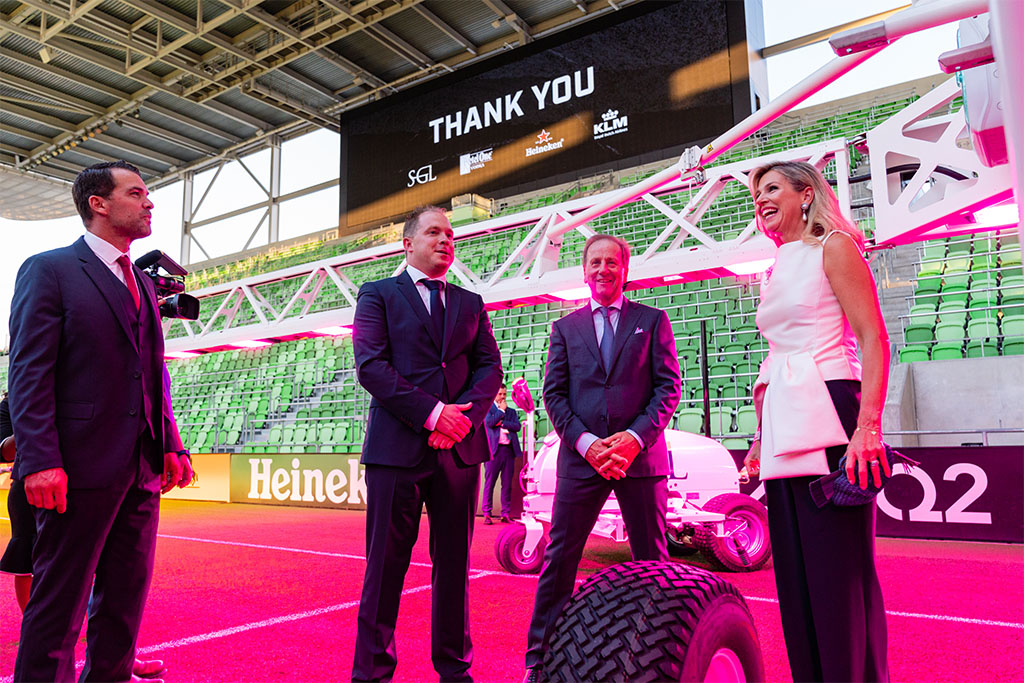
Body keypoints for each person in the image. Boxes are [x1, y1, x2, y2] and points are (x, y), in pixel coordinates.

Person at [8, 160, 194, 682]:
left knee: (123, 605)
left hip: (142, 467)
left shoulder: (140, 279)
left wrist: (173, 445)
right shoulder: (49, 269)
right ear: (99, 203)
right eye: (137, 193)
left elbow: (152, 371)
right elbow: (29, 371)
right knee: (58, 606)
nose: (150, 202)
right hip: (76, 467)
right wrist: (41, 459)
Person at [744, 160, 890, 682]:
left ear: (806, 194)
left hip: (832, 411)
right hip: (787, 417)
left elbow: (873, 336)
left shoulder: (835, 246)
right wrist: (761, 438)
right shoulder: (779, 262)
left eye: (772, 188)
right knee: (797, 578)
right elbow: (776, 355)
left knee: (836, 573)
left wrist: (868, 426)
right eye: (756, 192)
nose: (760, 198)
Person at [351, 205, 503, 682]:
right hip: (396, 450)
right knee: (385, 567)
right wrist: (434, 414)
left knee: (454, 567)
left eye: (451, 234)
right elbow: (371, 367)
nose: (446, 240)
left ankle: (455, 669)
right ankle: (372, 673)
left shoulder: (470, 302)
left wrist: (461, 420)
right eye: (434, 232)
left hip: (459, 452)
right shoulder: (376, 295)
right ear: (408, 243)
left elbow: (489, 369)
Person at [523, 234, 681, 682]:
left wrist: (634, 438)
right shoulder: (566, 327)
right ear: (584, 269)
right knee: (560, 559)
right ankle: (540, 659)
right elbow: (553, 395)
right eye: (595, 262)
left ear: (625, 268)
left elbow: (668, 388)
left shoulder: (652, 320)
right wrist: (586, 443)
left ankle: (660, 656)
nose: (602, 270)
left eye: (612, 262)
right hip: (581, 459)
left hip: (641, 458)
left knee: (653, 560)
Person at [482, 383, 522, 525]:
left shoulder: (511, 411)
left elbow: (517, 426)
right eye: (500, 394)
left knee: (507, 484)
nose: (502, 397)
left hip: (508, 451)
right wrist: (501, 412)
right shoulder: (488, 409)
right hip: (493, 451)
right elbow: (490, 423)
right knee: (490, 483)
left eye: (504, 394)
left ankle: (505, 513)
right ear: (494, 394)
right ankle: (487, 513)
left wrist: (503, 423)